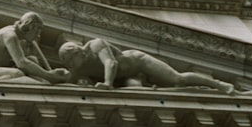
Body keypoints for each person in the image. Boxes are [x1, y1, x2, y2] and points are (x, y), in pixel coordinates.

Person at [59, 38, 234, 93]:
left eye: (71, 61)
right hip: (127, 77)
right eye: (69, 64)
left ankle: (221, 85)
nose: (72, 65)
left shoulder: (95, 45)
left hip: (138, 62)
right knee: (136, 92)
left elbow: (110, 63)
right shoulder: (78, 67)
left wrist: (107, 84)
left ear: (77, 52)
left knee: (177, 79)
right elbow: (68, 80)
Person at [0, 12, 68, 84]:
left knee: (32, 59)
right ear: (28, 27)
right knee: (17, 74)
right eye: (37, 32)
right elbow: (22, 63)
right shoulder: (10, 35)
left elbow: (29, 62)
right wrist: (49, 75)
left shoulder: (20, 39)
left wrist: (48, 75)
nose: (38, 36)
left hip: (1, 68)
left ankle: (44, 85)